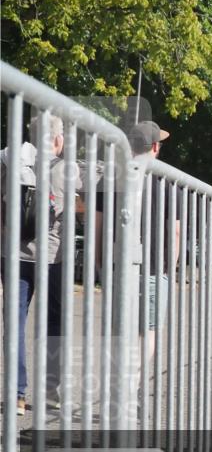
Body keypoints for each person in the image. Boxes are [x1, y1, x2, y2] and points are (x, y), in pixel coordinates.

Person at [95, 121, 180, 422]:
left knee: (121, 332)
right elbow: (176, 230)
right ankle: (135, 389)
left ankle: (118, 390)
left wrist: (101, 262)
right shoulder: (167, 181)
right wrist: (171, 265)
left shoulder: (111, 177)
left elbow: (98, 225)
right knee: (149, 331)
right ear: (155, 147)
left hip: (118, 265)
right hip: (155, 267)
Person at [1, 114, 77, 416]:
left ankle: (17, 394)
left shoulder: (9, 162)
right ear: (57, 140)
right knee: (55, 324)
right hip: (53, 257)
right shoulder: (65, 170)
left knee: (15, 324)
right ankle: (49, 393)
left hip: (13, 254)